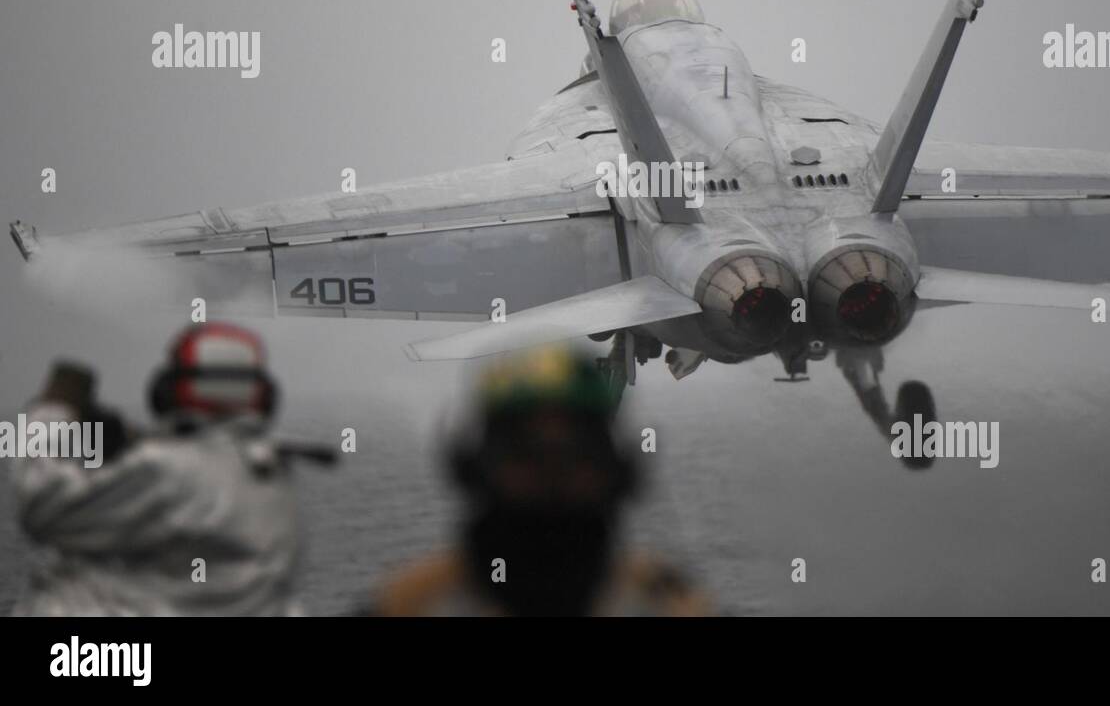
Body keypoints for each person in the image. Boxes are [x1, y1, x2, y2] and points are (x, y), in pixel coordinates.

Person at [371, 347, 709, 616]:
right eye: (525, 453)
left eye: (577, 453)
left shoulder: (410, 602)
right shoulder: (670, 602)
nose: (553, 477)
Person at [11, 323, 307, 615]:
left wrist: (52, 410)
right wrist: (130, 442)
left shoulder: (169, 471)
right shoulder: (272, 475)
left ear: (166, 391)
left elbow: (41, 503)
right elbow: (204, 464)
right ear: (265, 396)